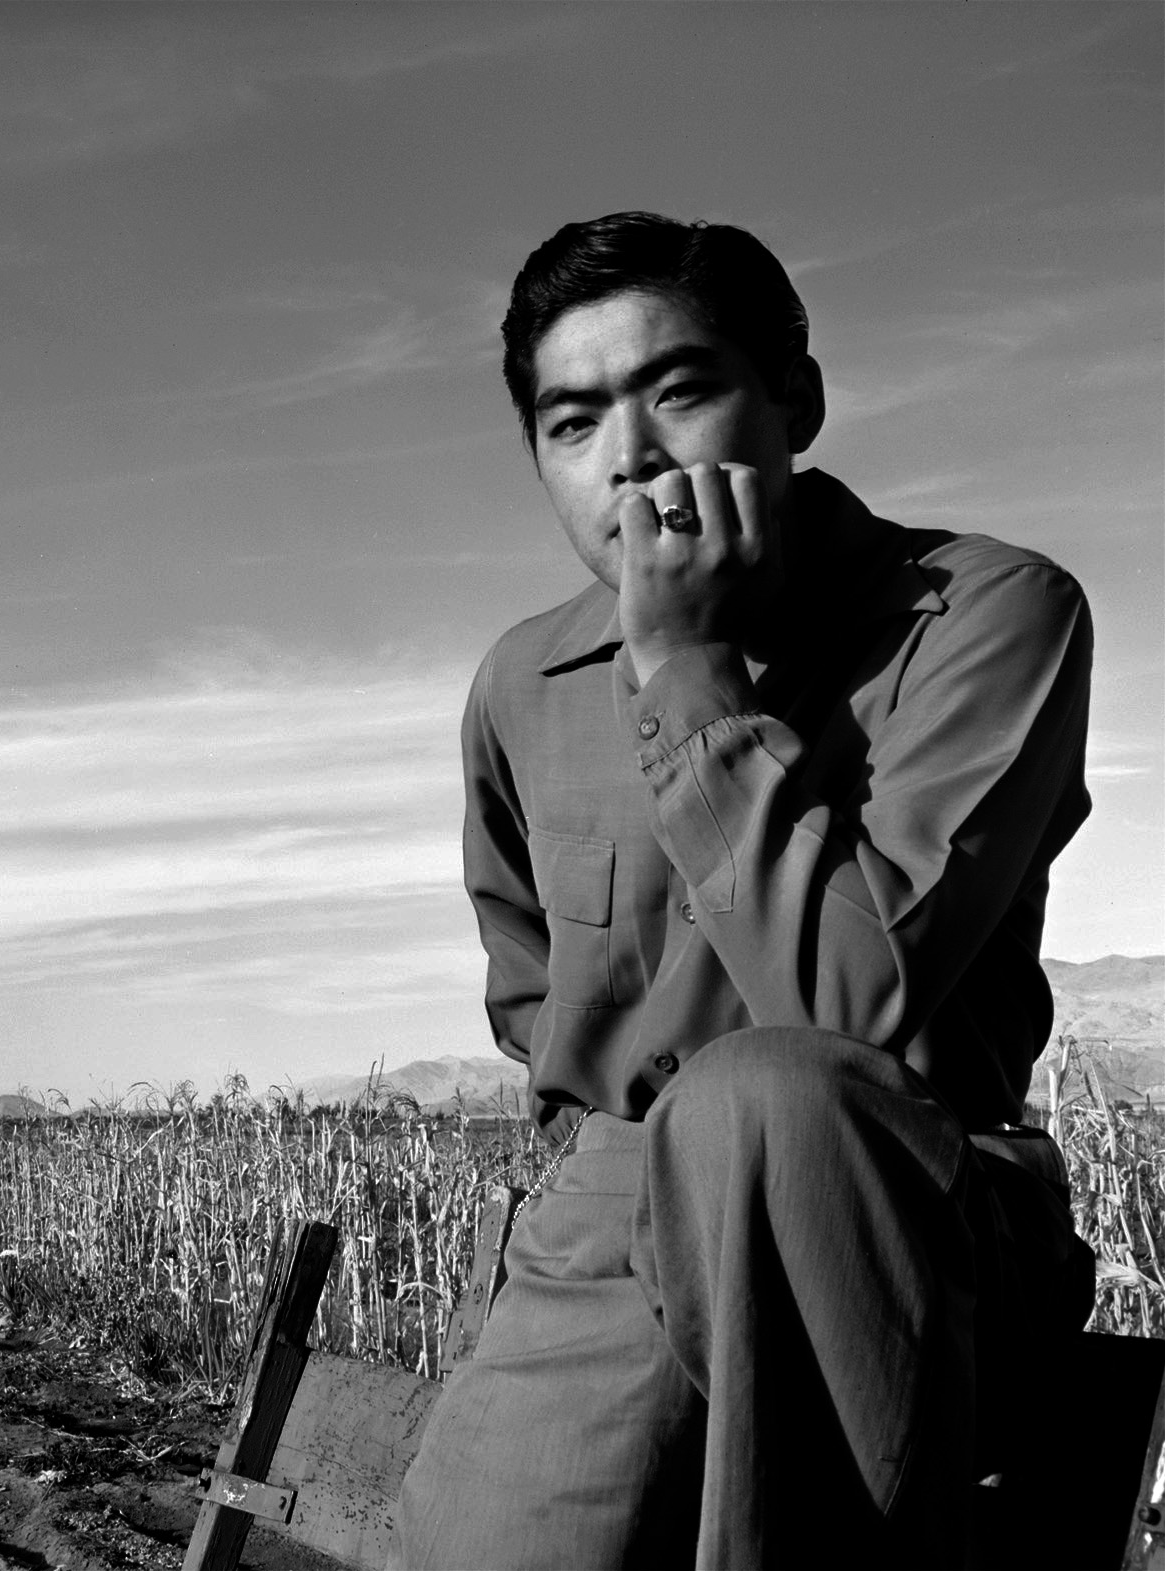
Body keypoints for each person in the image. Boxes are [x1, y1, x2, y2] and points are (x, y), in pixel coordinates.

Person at [391, 213, 1096, 1570]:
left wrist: (685, 672)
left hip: (903, 1220)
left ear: (798, 403)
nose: (633, 459)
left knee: (768, 1090)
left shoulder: (986, 613)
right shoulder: (519, 685)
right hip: (615, 1218)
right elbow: (537, 995)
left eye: (682, 390)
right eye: (573, 422)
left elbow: (854, 996)